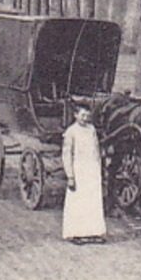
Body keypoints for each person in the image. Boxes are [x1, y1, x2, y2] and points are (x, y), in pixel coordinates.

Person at [61, 102, 106, 243]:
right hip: (79, 169)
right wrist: (70, 176)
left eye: (87, 115)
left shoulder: (91, 129)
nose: (85, 118)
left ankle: (94, 232)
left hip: (92, 168)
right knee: (78, 201)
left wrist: (99, 168)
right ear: (75, 115)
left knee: (93, 200)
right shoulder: (71, 132)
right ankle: (76, 233)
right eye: (82, 115)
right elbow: (67, 154)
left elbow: (96, 150)